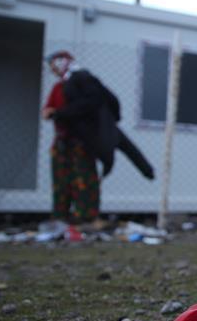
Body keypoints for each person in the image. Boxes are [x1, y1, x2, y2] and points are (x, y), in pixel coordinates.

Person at [42, 51, 154, 225]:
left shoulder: (82, 79)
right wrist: (51, 113)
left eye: (54, 66)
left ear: (62, 63)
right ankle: (60, 216)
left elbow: (92, 103)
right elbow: (50, 109)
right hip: (62, 140)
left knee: (84, 179)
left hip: (81, 141)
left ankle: (86, 216)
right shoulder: (60, 87)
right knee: (61, 180)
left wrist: (61, 113)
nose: (53, 71)